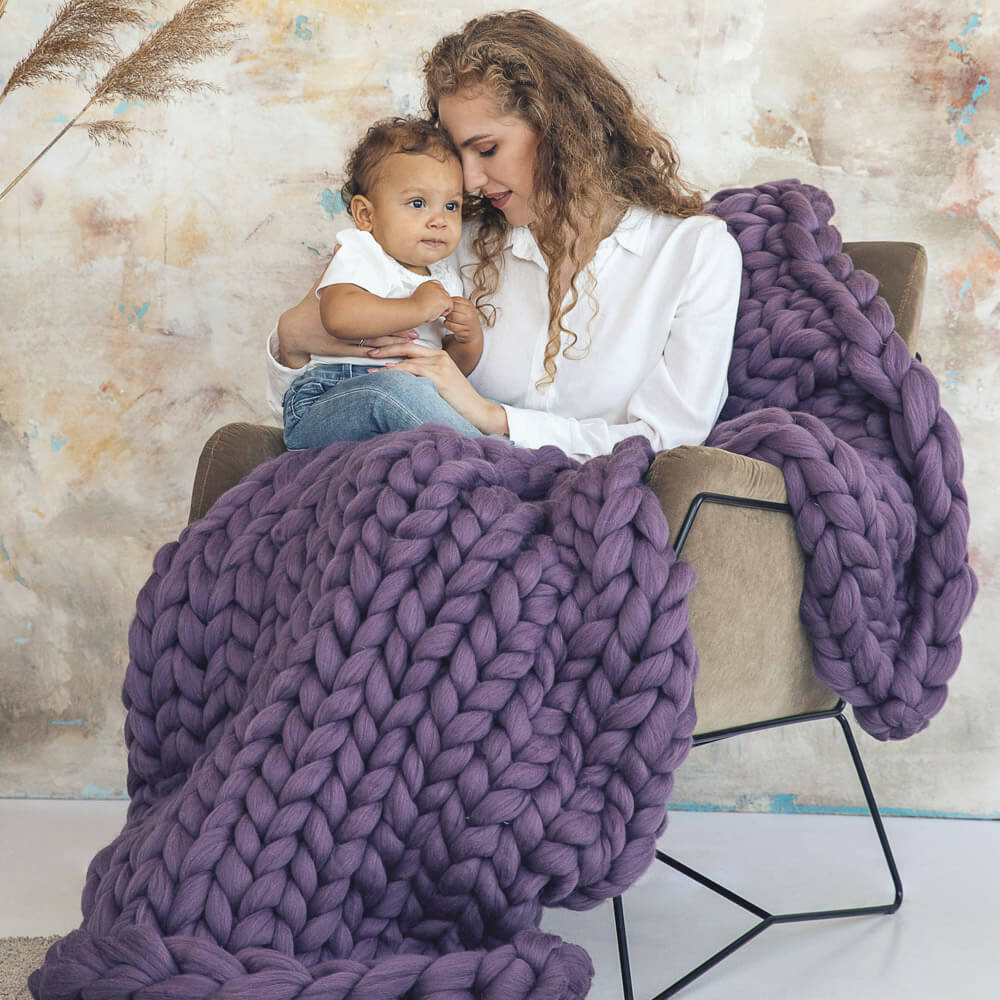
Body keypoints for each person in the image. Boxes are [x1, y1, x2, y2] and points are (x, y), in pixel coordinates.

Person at [267, 9, 743, 462]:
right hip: (434, 497)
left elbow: (668, 442)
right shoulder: (448, 242)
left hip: (572, 502)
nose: (470, 181)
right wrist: (290, 340)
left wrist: (493, 418)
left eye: (488, 149)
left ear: (562, 129)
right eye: (460, 156)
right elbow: (318, 402)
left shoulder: (694, 253)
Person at [281, 116, 486, 449]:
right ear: (366, 215)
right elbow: (338, 317)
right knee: (391, 391)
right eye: (418, 203)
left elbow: (449, 369)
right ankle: (495, 459)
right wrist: (416, 307)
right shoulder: (362, 251)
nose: (439, 220)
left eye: (451, 206)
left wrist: (469, 339)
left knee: (450, 400)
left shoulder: (444, 277)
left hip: (409, 400)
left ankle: (483, 453)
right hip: (331, 398)